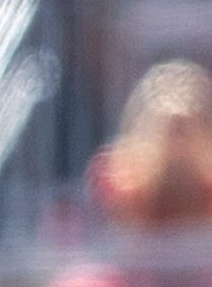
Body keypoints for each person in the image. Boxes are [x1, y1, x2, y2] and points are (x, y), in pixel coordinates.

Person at [88, 60, 212, 230]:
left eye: (183, 131)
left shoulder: (207, 183)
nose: (176, 142)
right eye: (169, 131)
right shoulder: (123, 184)